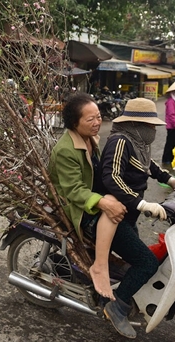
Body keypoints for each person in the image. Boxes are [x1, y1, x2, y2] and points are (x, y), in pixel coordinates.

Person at [96, 98, 175, 338]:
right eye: (150, 126)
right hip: (110, 217)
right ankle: (117, 307)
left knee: (134, 261)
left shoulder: (136, 143)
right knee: (147, 262)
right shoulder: (119, 142)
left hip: (127, 216)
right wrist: (141, 202)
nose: (154, 130)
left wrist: (171, 180)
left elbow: (149, 167)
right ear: (137, 124)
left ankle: (120, 293)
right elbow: (111, 178)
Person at [48, 93, 127, 297]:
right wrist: (103, 202)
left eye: (99, 117)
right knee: (111, 207)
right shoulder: (66, 150)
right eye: (90, 119)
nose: (97, 122)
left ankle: (109, 260)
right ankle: (100, 266)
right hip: (74, 204)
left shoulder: (91, 139)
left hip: (90, 195)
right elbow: (73, 190)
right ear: (75, 123)